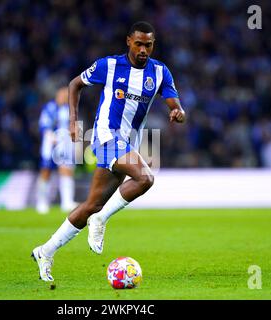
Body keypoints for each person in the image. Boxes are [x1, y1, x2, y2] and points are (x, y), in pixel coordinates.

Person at [32, 21, 186, 281]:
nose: (143, 50)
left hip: (129, 142)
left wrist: (177, 111)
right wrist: (72, 120)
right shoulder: (109, 65)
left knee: (91, 204)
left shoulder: (160, 72)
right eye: (138, 44)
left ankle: (45, 251)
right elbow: (74, 84)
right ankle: (101, 220)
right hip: (105, 135)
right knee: (145, 177)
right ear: (129, 41)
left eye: (148, 45)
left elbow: (174, 102)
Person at [35, 87, 77, 214]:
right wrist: (51, 137)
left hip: (65, 146)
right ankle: (42, 202)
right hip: (50, 145)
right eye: (63, 95)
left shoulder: (70, 109)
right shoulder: (50, 108)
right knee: (46, 172)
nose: (65, 97)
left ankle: (67, 202)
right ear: (58, 95)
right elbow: (44, 125)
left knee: (66, 171)